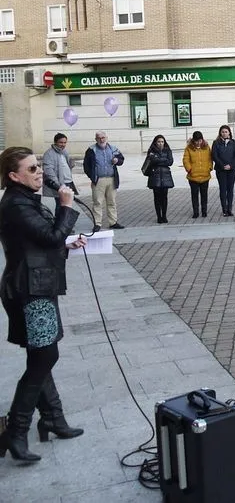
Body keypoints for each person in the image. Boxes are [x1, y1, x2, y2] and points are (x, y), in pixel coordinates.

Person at [0, 147, 87, 462]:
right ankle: (16, 430)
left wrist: (67, 242)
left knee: (41, 355)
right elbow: (48, 237)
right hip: (29, 289)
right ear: (14, 176)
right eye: (32, 168)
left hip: (36, 284)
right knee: (45, 355)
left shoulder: (24, 201)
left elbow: (42, 241)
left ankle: (53, 418)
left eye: (38, 167)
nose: (40, 173)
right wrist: (65, 208)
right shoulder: (15, 205)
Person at [82, 131, 125, 232]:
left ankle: (113, 222)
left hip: (111, 179)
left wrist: (117, 161)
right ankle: (97, 223)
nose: (101, 140)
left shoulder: (113, 148)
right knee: (97, 202)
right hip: (98, 180)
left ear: (107, 138)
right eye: (99, 138)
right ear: (96, 139)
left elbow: (121, 160)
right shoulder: (91, 150)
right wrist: (92, 177)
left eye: (103, 137)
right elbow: (86, 165)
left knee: (112, 202)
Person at [42, 133, 78, 209]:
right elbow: (49, 171)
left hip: (68, 182)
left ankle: (67, 220)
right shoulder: (49, 153)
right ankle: (60, 220)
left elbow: (67, 164)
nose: (63, 144)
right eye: (61, 142)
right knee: (61, 205)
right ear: (55, 142)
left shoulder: (64, 151)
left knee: (68, 205)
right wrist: (58, 185)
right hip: (60, 184)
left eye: (65, 142)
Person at [212, 125, 235, 217]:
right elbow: (214, 156)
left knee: (230, 189)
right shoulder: (216, 143)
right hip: (221, 170)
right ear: (220, 133)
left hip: (231, 170)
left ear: (229, 133)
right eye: (223, 132)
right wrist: (223, 165)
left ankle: (229, 209)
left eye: (226, 131)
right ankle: (224, 209)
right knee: (223, 189)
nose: (224, 133)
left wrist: (231, 165)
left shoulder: (234, 143)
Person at [183, 131, 212, 218]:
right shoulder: (189, 148)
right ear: (193, 140)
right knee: (194, 195)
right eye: (196, 141)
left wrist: (209, 168)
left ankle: (204, 211)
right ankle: (196, 212)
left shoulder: (206, 147)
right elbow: (185, 159)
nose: (198, 142)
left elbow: (210, 159)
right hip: (193, 177)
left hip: (205, 175)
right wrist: (189, 169)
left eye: (200, 140)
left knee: (204, 195)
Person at [145, 135, 175, 224]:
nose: (160, 143)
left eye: (162, 142)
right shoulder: (151, 151)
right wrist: (163, 161)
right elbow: (151, 161)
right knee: (157, 197)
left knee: (164, 197)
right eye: (159, 142)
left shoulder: (168, 150)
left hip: (165, 176)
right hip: (155, 176)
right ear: (155, 142)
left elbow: (170, 162)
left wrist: (158, 160)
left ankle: (164, 216)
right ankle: (159, 216)